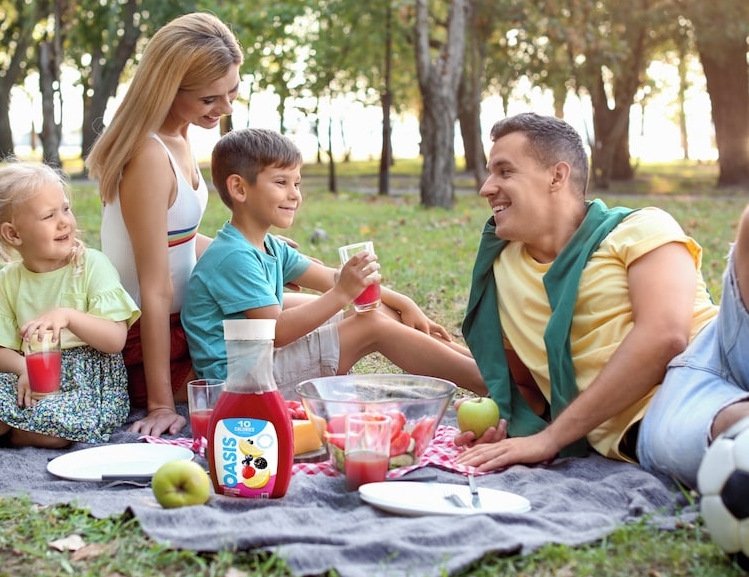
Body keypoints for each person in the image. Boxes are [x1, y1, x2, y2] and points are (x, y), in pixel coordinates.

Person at [457, 111, 749, 490]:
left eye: (504, 171)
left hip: (719, 344)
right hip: (652, 412)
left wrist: (551, 438)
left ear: (557, 176)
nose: (486, 187)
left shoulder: (638, 227)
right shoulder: (501, 271)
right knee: (733, 427)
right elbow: (521, 385)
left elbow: (665, 336)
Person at [181, 127, 488, 398]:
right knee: (372, 324)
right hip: (242, 385)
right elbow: (278, 330)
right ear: (239, 188)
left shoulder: (269, 246)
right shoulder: (233, 256)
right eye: (281, 182)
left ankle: (490, 371)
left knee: (373, 308)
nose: (294, 195)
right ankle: (490, 385)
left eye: (297, 183)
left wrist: (404, 302)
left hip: (260, 363)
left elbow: (330, 277)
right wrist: (342, 293)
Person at [86, 11, 244, 437]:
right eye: (210, 99)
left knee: (331, 310)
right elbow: (153, 288)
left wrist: (259, 261)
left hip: (190, 313)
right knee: (352, 325)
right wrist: (159, 405)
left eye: (231, 91)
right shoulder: (149, 156)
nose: (225, 107)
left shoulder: (179, 135)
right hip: (152, 339)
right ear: (168, 89)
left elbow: (183, 241)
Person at [0, 163, 140, 448]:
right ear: (13, 234)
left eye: (65, 209)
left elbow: (115, 340)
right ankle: (7, 426)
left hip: (86, 388)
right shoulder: (9, 280)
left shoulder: (90, 265)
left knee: (54, 430)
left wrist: (69, 317)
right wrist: (24, 368)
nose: (64, 221)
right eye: (49, 215)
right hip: (28, 378)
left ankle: (12, 431)